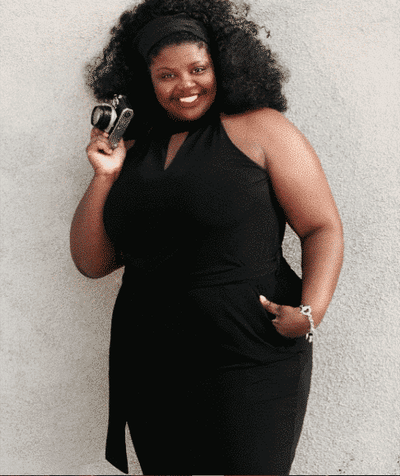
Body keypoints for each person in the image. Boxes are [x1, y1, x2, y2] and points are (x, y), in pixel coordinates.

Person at [70, 0, 344, 474]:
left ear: (224, 65)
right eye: (167, 75)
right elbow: (93, 263)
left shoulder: (262, 130)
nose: (186, 85)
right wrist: (104, 176)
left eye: (198, 68)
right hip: (153, 357)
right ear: (145, 80)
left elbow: (321, 227)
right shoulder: (130, 150)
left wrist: (310, 311)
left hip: (250, 350)